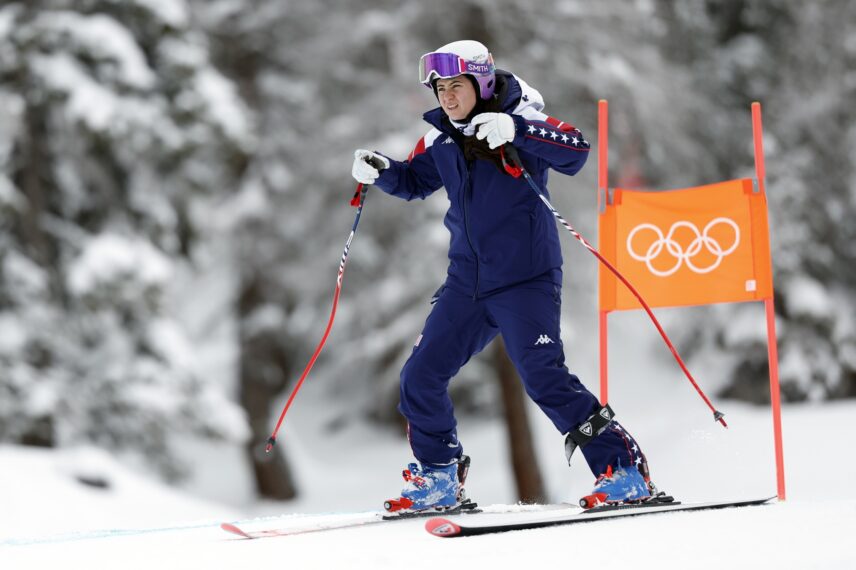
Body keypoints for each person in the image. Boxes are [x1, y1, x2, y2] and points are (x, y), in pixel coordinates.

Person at [352, 40, 656, 513]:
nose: (447, 97)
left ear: (482, 83)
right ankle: (438, 478)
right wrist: (383, 170)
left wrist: (516, 129)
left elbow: (575, 149)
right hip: (467, 283)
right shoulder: (441, 136)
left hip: (525, 278)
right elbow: (415, 181)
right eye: (439, 88)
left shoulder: (521, 116)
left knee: (543, 377)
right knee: (420, 375)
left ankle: (624, 472)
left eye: (456, 86)